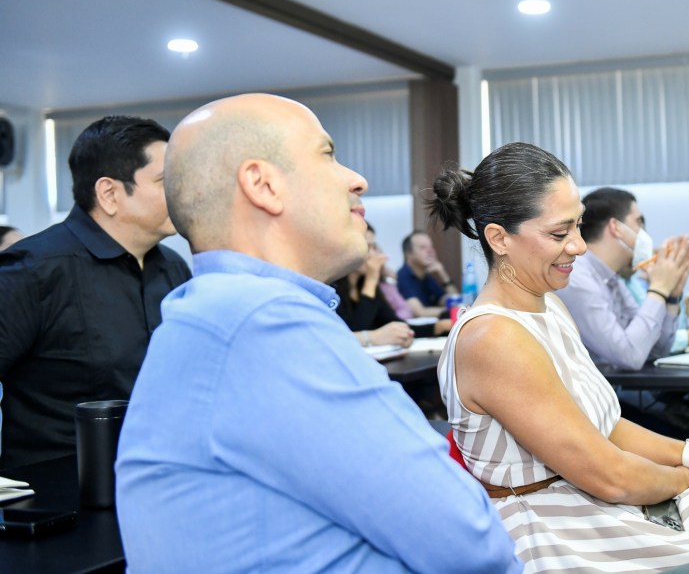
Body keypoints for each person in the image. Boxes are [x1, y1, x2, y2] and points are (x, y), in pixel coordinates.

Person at [114, 94, 520, 573]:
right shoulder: (264, 323)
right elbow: (470, 542)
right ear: (263, 185)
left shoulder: (218, 313)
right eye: (328, 155)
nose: (358, 179)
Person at [430, 142, 689, 573]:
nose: (579, 246)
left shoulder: (549, 307)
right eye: (559, 234)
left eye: (579, 226)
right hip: (559, 533)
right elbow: (611, 476)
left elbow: (608, 427)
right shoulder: (492, 337)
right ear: (499, 239)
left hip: (601, 510)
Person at [0, 116, 190, 469]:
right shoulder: (33, 270)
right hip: (55, 490)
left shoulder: (173, 268)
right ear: (109, 194)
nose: (180, 192)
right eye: (164, 181)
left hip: (155, 477)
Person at [556, 187, 689, 371]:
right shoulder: (578, 278)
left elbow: (655, 350)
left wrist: (671, 297)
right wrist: (659, 288)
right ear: (616, 227)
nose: (645, 234)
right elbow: (629, 357)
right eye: (639, 223)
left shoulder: (613, 279)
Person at [331, 224, 450, 347]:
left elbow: (394, 323)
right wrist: (372, 279)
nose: (375, 254)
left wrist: (439, 327)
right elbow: (355, 331)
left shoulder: (366, 285)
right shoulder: (333, 288)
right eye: (368, 246)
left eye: (374, 247)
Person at [397, 229, 457, 317]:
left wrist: (442, 273)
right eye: (423, 247)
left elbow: (453, 301)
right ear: (408, 254)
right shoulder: (402, 277)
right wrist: (455, 310)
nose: (430, 251)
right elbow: (420, 312)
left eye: (431, 247)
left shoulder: (427, 277)